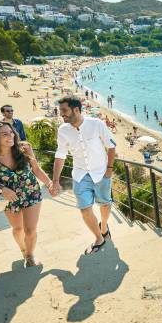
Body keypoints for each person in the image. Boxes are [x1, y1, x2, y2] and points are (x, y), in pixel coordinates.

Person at [0, 121, 52, 267]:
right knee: (18, 229)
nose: (10, 136)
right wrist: (0, 189)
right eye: (5, 134)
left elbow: (36, 169)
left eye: (11, 132)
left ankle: (30, 256)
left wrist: (49, 184)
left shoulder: (24, 149)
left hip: (31, 193)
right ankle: (23, 250)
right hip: (9, 198)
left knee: (30, 230)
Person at [50, 96, 116, 255]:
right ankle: (99, 238)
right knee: (84, 208)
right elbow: (60, 155)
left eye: (64, 111)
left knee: (105, 204)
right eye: (61, 111)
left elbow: (111, 146)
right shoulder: (63, 130)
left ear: (77, 110)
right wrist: (55, 181)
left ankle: (104, 226)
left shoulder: (96, 124)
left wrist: (109, 169)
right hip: (80, 175)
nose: (62, 115)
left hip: (101, 173)